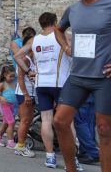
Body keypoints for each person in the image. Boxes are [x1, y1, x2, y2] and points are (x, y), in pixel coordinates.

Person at [53, 0, 111, 172]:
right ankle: (71, 170)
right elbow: (58, 30)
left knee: (104, 129)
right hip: (78, 75)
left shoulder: (109, 5)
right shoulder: (73, 10)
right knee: (60, 121)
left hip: (104, 78)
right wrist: (67, 47)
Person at [15, 12, 80, 169]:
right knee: (68, 122)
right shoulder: (65, 35)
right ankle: (71, 161)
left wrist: (29, 71)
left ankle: (50, 157)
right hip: (61, 84)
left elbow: (18, 55)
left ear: (41, 24)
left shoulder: (35, 39)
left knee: (46, 120)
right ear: (56, 21)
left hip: (41, 84)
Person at [14, 31, 37, 158]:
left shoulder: (32, 58)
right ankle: (20, 147)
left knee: (28, 121)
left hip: (30, 93)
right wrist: (26, 95)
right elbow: (21, 79)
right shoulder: (25, 59)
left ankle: (21, 145)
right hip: (24, 94)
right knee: (25, 120)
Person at [0, 64, 17, 149]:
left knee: (6, 123)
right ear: (5, 75)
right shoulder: (2, 84)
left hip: (12, 106)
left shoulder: (15, 83)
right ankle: (10, 143)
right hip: (5, 106)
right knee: (12, 122)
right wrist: (1, 97)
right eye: (10, 76)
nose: (12, 78)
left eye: (14, 76)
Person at [75, 94, 99, 164]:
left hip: (84, 89)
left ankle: (92, 152)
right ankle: (85, 151)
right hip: (96, 91)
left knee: (80, 122)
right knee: (89, 122)